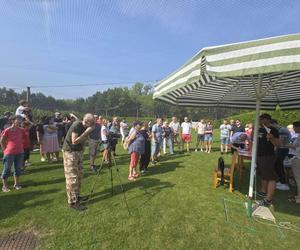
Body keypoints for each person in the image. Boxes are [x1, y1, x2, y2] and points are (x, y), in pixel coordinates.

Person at [62, 113, 94, 211]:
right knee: (72, 177)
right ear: (87, 121)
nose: (93, 125)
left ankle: (77, 196)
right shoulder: (77, 125)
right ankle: (73, 202)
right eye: (92, 123)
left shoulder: (84, 125)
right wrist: (86, 132)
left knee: (79, 175)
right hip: (70, 152)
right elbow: (74, 141)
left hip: (78, 153)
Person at [256, 113, 280, 207]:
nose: (260, 121)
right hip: (260, 155)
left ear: (267, 119)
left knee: (271, 177)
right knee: (263, 174)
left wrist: (272, 138)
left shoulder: (273, 130)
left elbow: (278, 144)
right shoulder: (261, 129)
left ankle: (268, 200)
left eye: (262, 119)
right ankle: (263, 191)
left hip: (268, 156)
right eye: (260, 120)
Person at [1, 116, 25, 192]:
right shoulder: (7, 130)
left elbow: (22, 139)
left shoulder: (21, 130)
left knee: (18, 169)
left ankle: (17, 184)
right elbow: (2, 141)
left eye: (21, 120)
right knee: (7, 169)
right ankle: (5, 186)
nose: (20, 121)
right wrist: (4, 150)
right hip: (9, 153)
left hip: (20, 152)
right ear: (13, 121)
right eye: (18, 120)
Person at [271, 119, 291, 191]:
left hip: (283, 149)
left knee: (278, 165)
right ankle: (281, 181)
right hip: (281, 149)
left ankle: (283, 183)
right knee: (277, 165)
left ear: (275, 123)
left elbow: (280, 143)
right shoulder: (280, 130)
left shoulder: (282, 130)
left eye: (271, 125)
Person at [285, 121, 300, 203]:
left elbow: (295, 146)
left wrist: (287, 145)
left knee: (298, 178)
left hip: (298, 159)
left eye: (294, 127)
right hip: (297, 158)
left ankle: (299, 198)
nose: (293, 129)